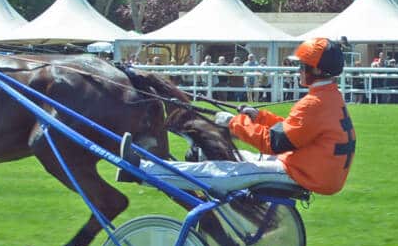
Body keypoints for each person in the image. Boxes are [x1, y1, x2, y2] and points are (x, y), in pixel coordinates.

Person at [132, 37, 356, 197]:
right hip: (313, 169)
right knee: (236, 155)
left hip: (304, 173)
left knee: (220, 172)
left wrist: (232, 122)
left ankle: (142, 170)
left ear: (316, 71)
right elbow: (294, 130)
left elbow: (273, 143)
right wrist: (259, 117)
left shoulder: (314, 102)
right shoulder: (329, 97)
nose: (298, 69)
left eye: (302, 65)